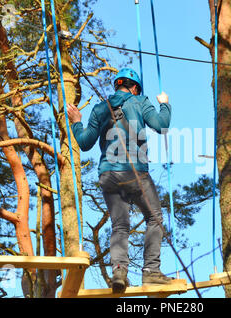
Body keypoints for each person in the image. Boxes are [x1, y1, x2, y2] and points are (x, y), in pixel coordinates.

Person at [66, 68, 173, 293]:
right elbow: (161, 125)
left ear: (118, 85)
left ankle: (119, 272)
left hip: (108, 175)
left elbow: (84, 143)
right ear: (134, 87)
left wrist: (76, 122)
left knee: (120, 225)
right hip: (135, 173)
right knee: (155, 218)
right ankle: (151, 271)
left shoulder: (99, 109)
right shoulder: (139, 101)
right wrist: (164, 104)